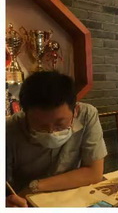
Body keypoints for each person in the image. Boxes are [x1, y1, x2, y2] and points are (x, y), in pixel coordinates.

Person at [6, 72, 107, 207]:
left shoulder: (86, 115)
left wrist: (35, 186)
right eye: (40, 126)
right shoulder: (10, 129)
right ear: (25, 114)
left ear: (75, 111)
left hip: (73, 198)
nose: (51, 132)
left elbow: (94, 173)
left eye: (60, 124)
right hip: (27, 203)